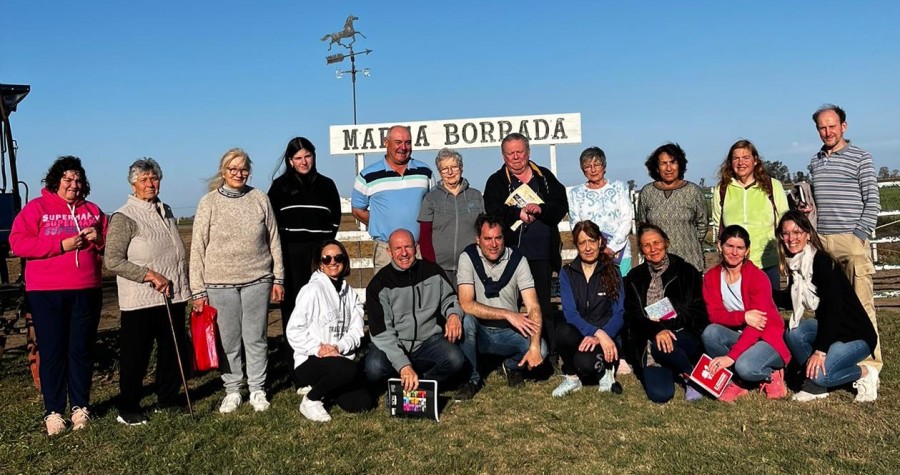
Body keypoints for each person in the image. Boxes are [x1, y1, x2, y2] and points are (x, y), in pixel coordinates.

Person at [10, 156, 108, 436]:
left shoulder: (92, 210)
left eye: (78, 180)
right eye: (68, 179)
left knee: (81, 350)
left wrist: (99, 239)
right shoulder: (36, 208)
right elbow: (18, 243)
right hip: (46, 291)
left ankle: (80, 407)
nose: (73, 185)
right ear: (56, 181)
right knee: (53, 351)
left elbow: (111, 244)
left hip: (86, 288)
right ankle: (53, 411)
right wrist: (60, 245)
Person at [190, 148, 284, 414]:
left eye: (243, 169)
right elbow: (197, 247)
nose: (238, 174)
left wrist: (278, 278)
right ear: (223, 171)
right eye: (233, 169)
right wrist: (198, 290)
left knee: (256, 337)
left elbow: (274, 239)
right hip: (219, 282)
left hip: (258, 278)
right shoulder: (209, 202)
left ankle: (257, 388)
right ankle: (232, 390)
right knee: (228, 340)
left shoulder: (260, 198)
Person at [105, 158, 191, 425]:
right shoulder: (124, 216)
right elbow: (112, 260)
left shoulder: (165, 210)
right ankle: (128, 407)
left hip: (172, 295)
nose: (150, 184)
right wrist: (148, 275)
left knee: (171, 351)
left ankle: (168, 399)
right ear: (133, 184)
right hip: (140, 299)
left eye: (154, 178)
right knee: (136, 356)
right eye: (144, 180)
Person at [773, 210, 879, 402]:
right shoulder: (796, 263)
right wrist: (761, 291)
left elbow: (833, 310)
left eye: (796, 232)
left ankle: (864, 373)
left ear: (807, 234)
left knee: (822, 375)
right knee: (794, 333)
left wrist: (820, 351)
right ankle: (815, 384)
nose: (791, 238)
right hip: (831, 329)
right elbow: (791, 299)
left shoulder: (822, 262)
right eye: (786, 233)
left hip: (854, 334)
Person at [807, 104, 882, 372]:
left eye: (832, 126)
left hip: (850, 239)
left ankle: (870, 367)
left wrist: (858, 236)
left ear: (844, 126)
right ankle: (836, 358)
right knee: (830, 304)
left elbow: (872, 200)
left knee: (862, 304)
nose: (827, 132)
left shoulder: (861, 157)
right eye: (822, 128)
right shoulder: (815, 161)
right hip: (822, 243)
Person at [483, 133, 568, 363]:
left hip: (542, 254)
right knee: (509, 307)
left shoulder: (545, 177)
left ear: (528, 152)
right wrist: (516, 213)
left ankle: (549, 355)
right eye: (510, 153)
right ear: (503, 156)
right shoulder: (496, 181)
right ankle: (513, 356)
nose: (515, 157)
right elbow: (492, 210)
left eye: (519, 152)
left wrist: (542, 209)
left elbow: (561, 205)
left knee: (542, 307)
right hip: (509, 255)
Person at [454, 214, 547, 400]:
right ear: (478, 240)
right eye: (487, 239)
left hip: (508, 331)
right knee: (467, 321)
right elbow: (466, 303)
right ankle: (472, 379)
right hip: (479, 330)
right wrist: (507, 314)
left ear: (504, 237)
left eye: (498, 238)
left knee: (542, 350)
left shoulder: (518, 260)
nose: (493, 244)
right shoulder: (468, 257)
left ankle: (511, 366)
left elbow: (533, 306)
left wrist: (535, 345)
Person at [363, 229, 466, 392]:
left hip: (427, 341)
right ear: (389, 252)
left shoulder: (433, 271)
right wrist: (403, 364)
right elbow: (381, 332)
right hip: (394, 344)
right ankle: (400, 379)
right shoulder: (378, 285)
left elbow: (450, 298)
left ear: (416, 247)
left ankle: (423, 383)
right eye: (398, 248)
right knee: (374, 368)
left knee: (455, 359)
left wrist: (454, 315)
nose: (404, 253)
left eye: (408, 247)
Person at [286, 240, 373, 422]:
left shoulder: (350, 294)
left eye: (338, 258)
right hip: (310, 359)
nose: (333, 262)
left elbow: (357, 331)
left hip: (339, 358)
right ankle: (311, 400)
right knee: (348, 369)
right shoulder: (311, 290)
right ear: (320, 263)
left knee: (362, 403)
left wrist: (338, 348)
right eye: (327, 259)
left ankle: (326, 389)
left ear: (344, 261)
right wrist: (319, 349)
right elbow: (294, 330)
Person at [701, 225, 790, 403]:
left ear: (747, 251)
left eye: (740, 248)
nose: (734, 252)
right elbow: (714, 315)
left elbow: (758, 324)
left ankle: (771, 373)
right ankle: (736, 380)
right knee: (710, 333)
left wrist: (730, 357)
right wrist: (743, 316)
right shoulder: (711, 277)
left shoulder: (758, 278)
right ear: (719, 246)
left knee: (745, 367)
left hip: (765, 336)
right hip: (739, 334)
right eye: (729, 246)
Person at [624, 223, 708, 403]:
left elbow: (697, 312)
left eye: (657, 242)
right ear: (641, 250)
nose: (653, 249)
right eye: (646, 245)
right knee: (660, 395)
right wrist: (657, 331)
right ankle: (677, 368)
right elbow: (633, 316)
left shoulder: (687, 271)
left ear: (666, 243)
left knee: (661, 345)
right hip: (650, 340)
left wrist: (666, 327)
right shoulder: (634, 277)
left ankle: (690, 376)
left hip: (683, 335)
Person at [268, 137, 341, 335]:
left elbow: (335, 219)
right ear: (290, 161)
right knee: (293, 306)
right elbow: (271, 223)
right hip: (290, 255)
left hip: (319, 254)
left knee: (322, 303)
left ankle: (323, 350)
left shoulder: (327, 185)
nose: (304, 162)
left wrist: (325, 248)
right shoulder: (279, 187)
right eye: (298, 158)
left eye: (307, 156)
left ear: (314, 156)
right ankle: (294, 352)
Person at [552, 220, 624, 398]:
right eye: (582, 242)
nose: (588, 247)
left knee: (586, 364)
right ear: (576, 245)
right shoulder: (567, 272)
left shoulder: (613, 271)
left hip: (607, 336)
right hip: (583, 333)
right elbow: (570, 314)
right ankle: (572, 378)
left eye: (592, 241)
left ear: (600, 242)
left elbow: (619, 313)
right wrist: (595, 332)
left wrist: (603, 335)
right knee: (562, 330)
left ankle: (606, 370)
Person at [351, 125, 433, 273]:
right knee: (385, 287)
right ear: (386, 143)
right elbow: (357, 210)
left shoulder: (425, 172)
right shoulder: (367, 175)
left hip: (418, 249)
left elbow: (433, 206)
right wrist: (379, 222)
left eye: (407, 142)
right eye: (398, 142)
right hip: (385, 250)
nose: (403, 147)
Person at [712, 140, 788, 289]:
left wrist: (784, 252)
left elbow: (784, 220)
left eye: (746, 157)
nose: (741, 162)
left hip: (767, 262)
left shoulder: (772, 186)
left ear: (755, 160)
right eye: (736, 158)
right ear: (730, 162)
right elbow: (717, 223)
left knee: (769, 302)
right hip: (734, 263)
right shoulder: (722, 189)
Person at [418, 148, 484, 288]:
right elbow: (424, 235)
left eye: (454, 167)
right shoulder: (431, 199)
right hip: (440, 267)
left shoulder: (476, 196)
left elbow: (484, 230)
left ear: (461, 168)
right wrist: (431, 265)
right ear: (439, 172)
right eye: (444, 169)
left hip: (471, 265)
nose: (450, 172)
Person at [637, 143, 708, 272]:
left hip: (690, 261)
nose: (668, 168)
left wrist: (689, 242)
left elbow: (702, 223)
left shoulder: (693, 191)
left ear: (680, 165)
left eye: (673, 162)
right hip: (657, 263)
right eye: (663, 163)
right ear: (657, 167)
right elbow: (642, 226)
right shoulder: (647, 192)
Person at [567, 147, 634, 276]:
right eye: (588, 166)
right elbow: (576, 224)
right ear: (582, 170)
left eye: (597, 165)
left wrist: (612, 247)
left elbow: (626, 219)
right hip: (590, 253)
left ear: (604, 166)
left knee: (623, 285)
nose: (593, 170)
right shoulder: (575, 193)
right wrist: (593, 247)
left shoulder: (619, 187)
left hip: (620, 253)